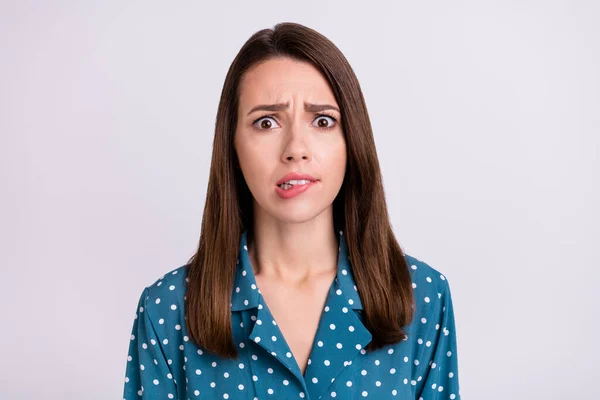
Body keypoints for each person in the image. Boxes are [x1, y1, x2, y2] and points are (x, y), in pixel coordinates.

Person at [122, 22, 461, 400]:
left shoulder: (421, 296)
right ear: (231, 145)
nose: (295, 148)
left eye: (322, 121)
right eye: (266, 122)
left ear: (352, 141)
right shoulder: (168, 309)